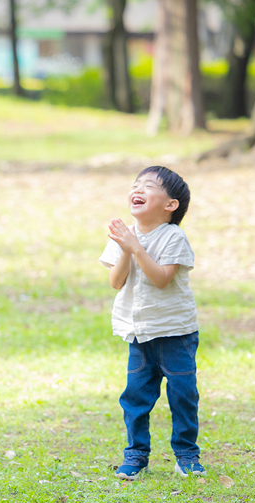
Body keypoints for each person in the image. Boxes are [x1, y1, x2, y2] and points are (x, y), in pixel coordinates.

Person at [99, 166, 204, 482]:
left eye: (148, 185)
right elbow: (116, 282)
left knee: (183, 395)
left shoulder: (174, 236)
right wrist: (126, 249)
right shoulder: (124, 237)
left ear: (170, 204)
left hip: (175, 332)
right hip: (139, 332)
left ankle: (187, 456)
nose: (138, 189)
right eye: (135, 184)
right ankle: (135, 456)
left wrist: (135, 247)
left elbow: (161, 279)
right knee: (135, 397)